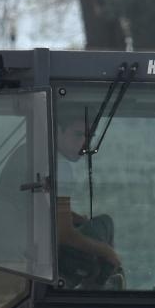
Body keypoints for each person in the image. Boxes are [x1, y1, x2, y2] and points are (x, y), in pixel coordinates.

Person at [52, 106, 123, 285]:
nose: (84, 144)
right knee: (105, 224)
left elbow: (45, 208)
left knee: (92, 225)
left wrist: (73, 217)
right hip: (52, 255)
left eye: (89, 137)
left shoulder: (38, 155)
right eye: (78, 135)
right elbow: (64, 235)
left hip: (34, 246)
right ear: (57, 132)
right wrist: (107, 252)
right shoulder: (60, 167)